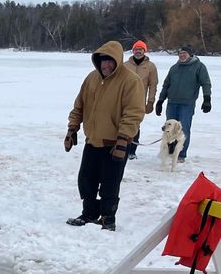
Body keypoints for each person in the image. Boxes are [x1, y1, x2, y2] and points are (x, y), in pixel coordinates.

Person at [64, 41, 144, 231]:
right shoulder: (91, 78)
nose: (106, 65)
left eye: (110, 61)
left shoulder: (130, 81)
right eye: (102, 61)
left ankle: (108, 218)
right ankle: (89, 213)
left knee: (110, 183)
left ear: (117, 60)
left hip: (115, 144)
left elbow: (133, 113)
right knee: (86, 180)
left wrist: (123, 140)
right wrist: (72, 129)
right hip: (93, 140)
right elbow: (79, 106)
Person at [156, 44, 211, 163]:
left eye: (184, 53)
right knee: (169, 129)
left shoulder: (199, 67)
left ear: (190, 55)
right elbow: (166, 85)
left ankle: (181, 153)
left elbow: (206, 83)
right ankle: (170, 151)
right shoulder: (174, 68)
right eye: (180, 53)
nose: (182, 55)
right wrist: (160, 101)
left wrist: (207, 99)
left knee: (183, 129)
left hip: (187, 104)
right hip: (172, 103)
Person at [121, 40, 158, 160]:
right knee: (121, 124)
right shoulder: (125, 65)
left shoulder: (150, 67)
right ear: (133, 51)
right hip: (124, 100)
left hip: (139, 102)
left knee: (135, 126)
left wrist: (151, 102)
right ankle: (121, 148)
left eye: (140, 49)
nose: (138, 51)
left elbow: (153, 85)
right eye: (136, 49)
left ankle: (132, 151)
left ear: (144, 51)